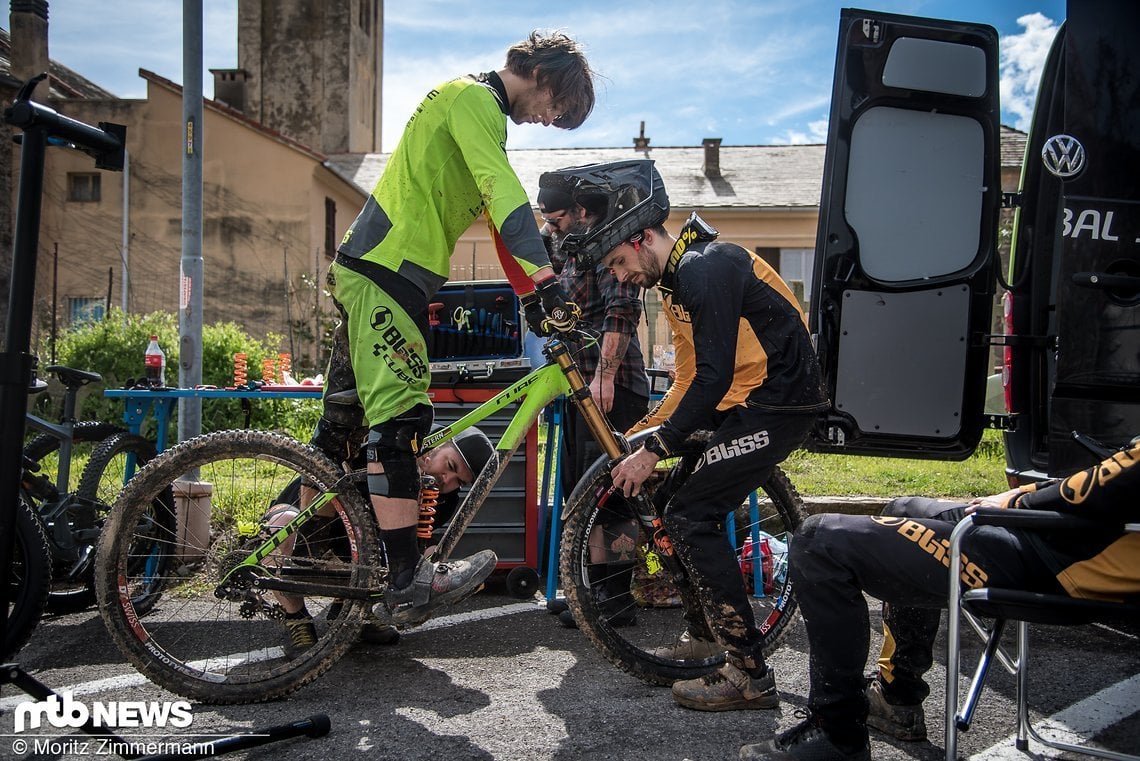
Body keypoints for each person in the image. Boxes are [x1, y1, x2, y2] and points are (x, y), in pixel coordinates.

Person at [310, 31, 593, 628]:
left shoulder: (477, 113)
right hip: (388, 274)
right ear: (540, 73)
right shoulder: (474, 100)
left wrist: (533, 297)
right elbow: (505, 193)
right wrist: (547, 285)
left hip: (385, 276)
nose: (548, 119)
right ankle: (410, 578)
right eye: (556, 107)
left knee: (337, 444)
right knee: (403, 423)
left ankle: (286, 568)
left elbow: (498, 224)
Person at [552, 159, 829, 711]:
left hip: (778, 406)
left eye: (618, 262)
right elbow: (689, 380)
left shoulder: (706, 266)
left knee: (691, 514)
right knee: (673, 502)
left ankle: (749, 674)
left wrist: (658, 445)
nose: (619, 276)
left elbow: (714, 376)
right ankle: (708, 634)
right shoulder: (678, 282)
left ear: (641, 237)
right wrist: (645, 436)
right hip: (745, 406)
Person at [739, 438, 1140, 760]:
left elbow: (1111, 485)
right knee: (904, 508)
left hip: (1059, 561)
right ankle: (897, 697)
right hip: (1063, 539)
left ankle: (837, 732)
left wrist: (1014, 502)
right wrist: (1022, 495)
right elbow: (1108, 475)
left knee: (818, 540)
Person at [535, 170, 651, 629]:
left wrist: (604, 378)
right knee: (581, 495)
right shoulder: (572, 250)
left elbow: (622, 314)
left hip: (613, 389)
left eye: (558, 218)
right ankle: (592, 588)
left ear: (582, 213)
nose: (552, 227)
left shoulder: (609, 248)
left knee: (613, 497)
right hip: (579, 391)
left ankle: (616, 598)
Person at [269, 427, 497, 655]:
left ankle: (350, 610)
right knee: (282, 525)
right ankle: (296, 619)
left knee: (401, 545)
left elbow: (420, 542)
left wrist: (443, 575)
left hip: (356, 544)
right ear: (437, 446)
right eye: (450, 466)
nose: (447, 480)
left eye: (459, 481)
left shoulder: (443, 499)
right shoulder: (383, 452)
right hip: (306, 524)